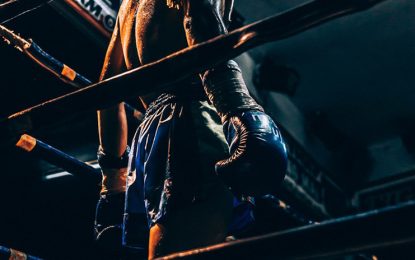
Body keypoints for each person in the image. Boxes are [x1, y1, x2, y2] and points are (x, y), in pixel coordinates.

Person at [95, 0, 288, 258]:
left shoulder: (127, 7)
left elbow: (106, 87)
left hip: (151, 133)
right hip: (191, 124)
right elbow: (198, 15)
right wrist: (237, 107)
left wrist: (113, 178)